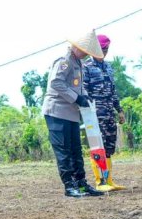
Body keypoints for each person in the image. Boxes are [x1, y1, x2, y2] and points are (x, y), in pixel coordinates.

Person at [43, 31, 106, 197]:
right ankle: (69, 185)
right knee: (64, 150)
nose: (86, 55)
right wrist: (76, 97)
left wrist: (84, 97)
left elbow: (78, 86)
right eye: (85, 51)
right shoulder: (64, 62)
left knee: (76, 150)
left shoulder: (79, 64)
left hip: (71, 113)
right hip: (57, 111)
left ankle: (81, 183)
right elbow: (56, 83)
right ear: (77, 47)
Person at [82, 34, 125, 188]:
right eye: (102, 49)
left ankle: (108, 180)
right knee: (97, 145)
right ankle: (100, 181)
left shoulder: (108, 67)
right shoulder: (86, 67)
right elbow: (83, 91)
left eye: (107, 49)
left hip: (109, 112)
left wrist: (119, 110)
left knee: (108, 146)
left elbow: (113, 91)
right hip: (94, 114)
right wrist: (89, 112)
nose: (105, 52)